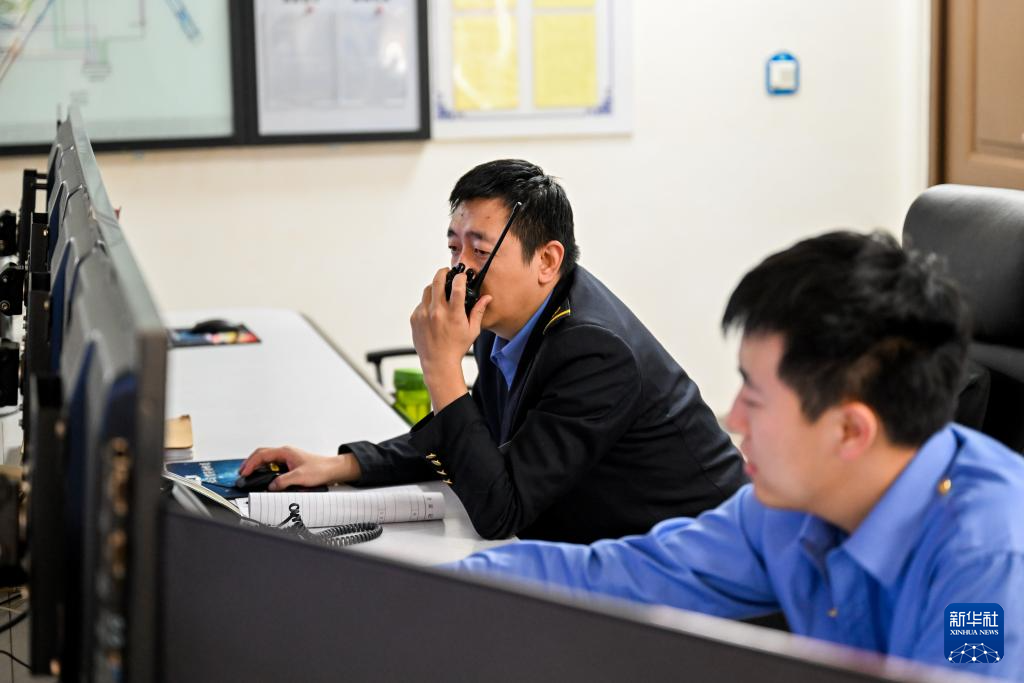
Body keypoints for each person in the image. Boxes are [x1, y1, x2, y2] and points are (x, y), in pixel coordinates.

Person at [449, 231, 1024, 677]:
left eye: (757, 396)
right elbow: (628, 575)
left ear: (850, 431)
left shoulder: (989, 564)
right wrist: (443, 584)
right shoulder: (788, 510)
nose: (735, 418)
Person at [240, 159, 746, 543]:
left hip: (699, 555)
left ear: (547, 260)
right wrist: (342, 466)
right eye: (453, 247)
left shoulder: (593, 351)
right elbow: (475, 430)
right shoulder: (505, 315)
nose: (460, 268)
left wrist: (441, 368)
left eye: (480, 250)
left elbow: (500, 513)